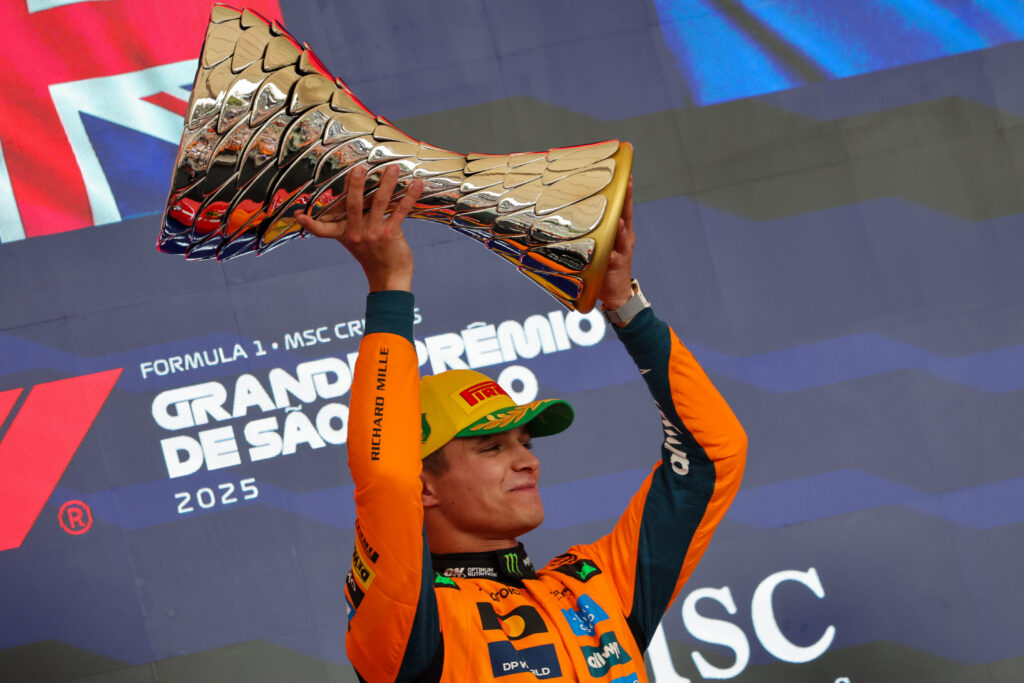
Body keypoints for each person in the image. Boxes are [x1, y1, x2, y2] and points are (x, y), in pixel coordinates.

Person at [296, 164, 747, 682]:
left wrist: (625, 306)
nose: (528, 460)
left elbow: (715, 453)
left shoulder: (597, 588)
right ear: (423, 485)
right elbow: (385, 478)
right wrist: (390, 288)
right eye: (490, 448)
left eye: (524, 441)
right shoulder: (410, 625)